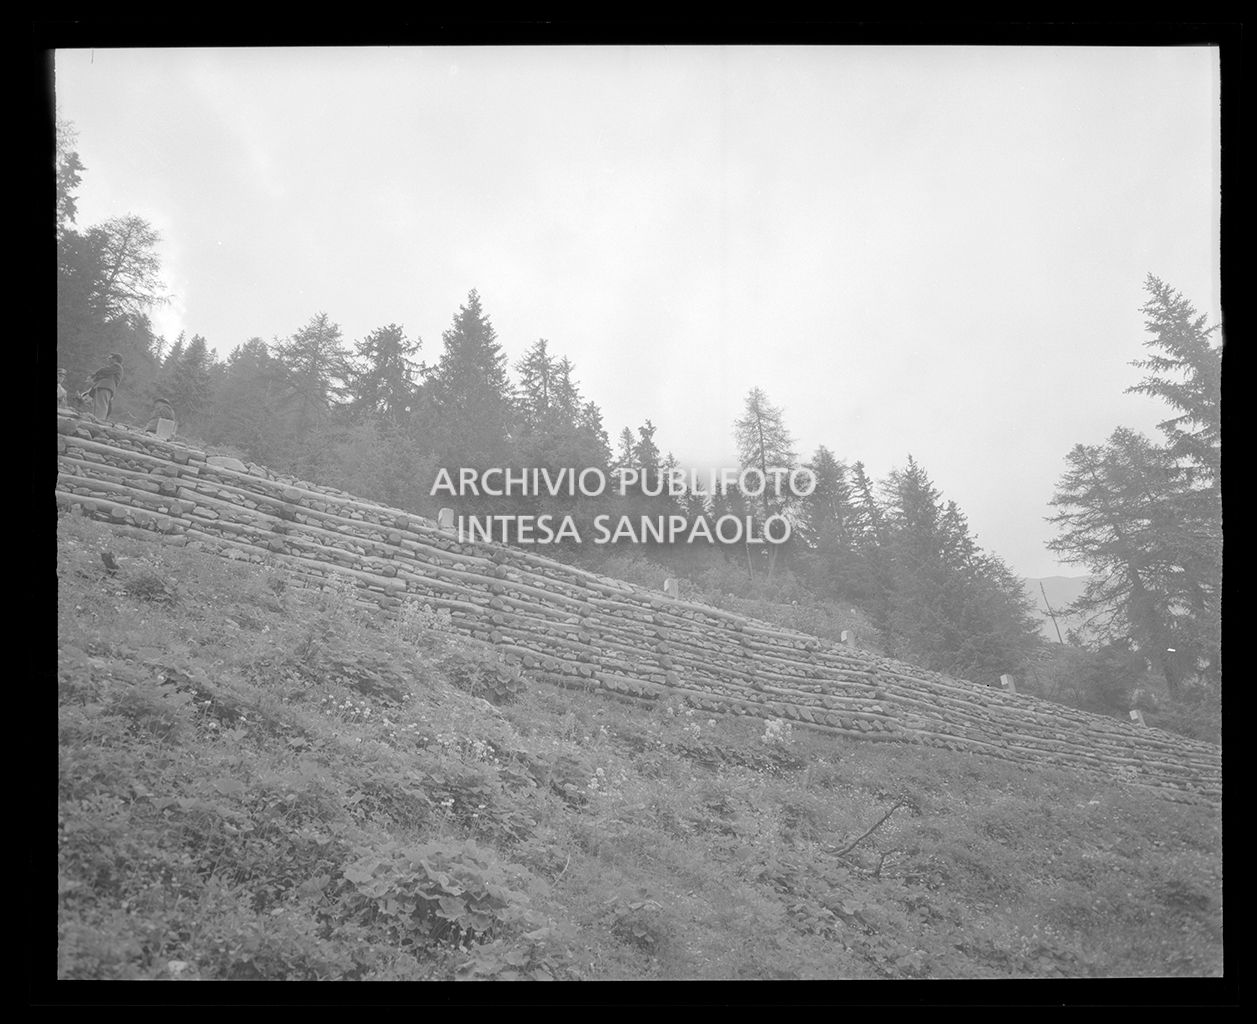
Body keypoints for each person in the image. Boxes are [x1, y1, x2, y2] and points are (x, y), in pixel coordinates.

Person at [87, 354, 124, 421]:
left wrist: (94, 375)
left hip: (105, 387)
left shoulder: (117, 366)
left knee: (100, 406)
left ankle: (97, 422)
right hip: (104, 387)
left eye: (110, 358)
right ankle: (96, 421)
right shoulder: (114, 369)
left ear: (115, 359)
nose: (108, 359)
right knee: (98, 405)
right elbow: (104, 374)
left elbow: (104, 370)